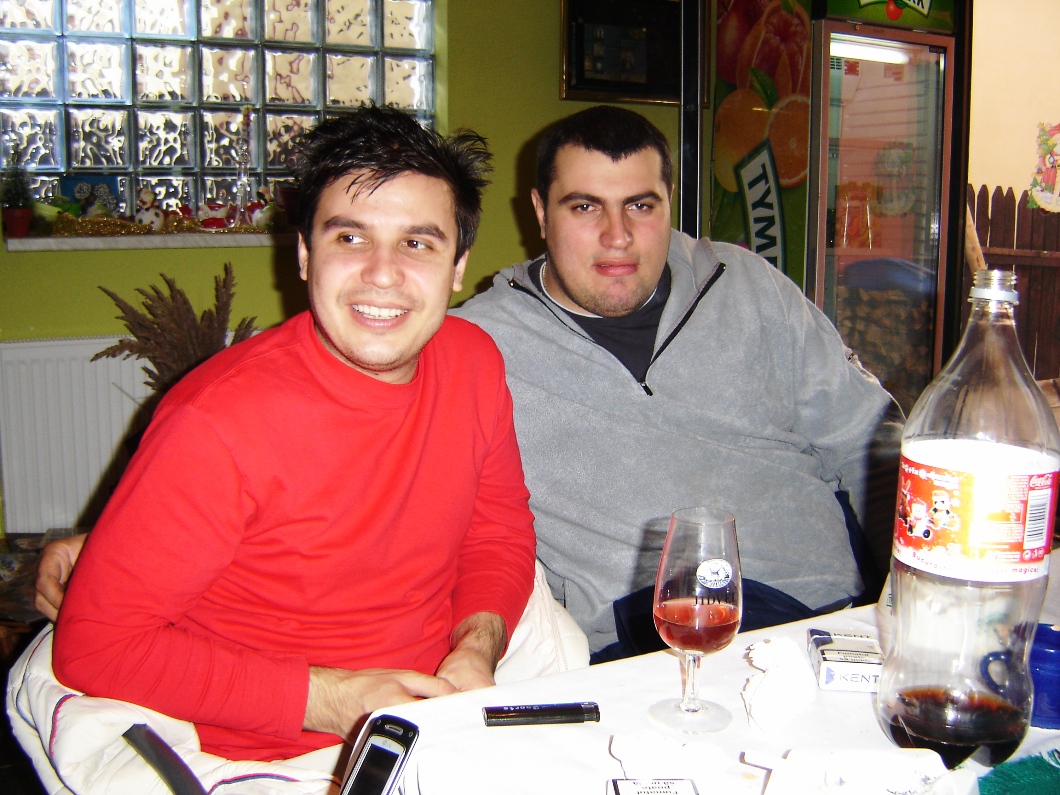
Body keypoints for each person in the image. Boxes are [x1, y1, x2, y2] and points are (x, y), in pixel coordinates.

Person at [46, 105, 537, 762]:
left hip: (441, 712)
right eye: (350, 237)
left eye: (418, 243)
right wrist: (330, 700)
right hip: (282, 754)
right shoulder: (215, 422)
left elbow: (497, 531)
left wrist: (474, 648)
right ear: (305, 253)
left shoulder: (474, 361)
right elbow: (96, 645)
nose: (383, 273)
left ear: (457, 265)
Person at [452, 105, 901, 660]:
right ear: (542, 213)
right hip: (646, 646)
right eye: (585, 206)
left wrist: (906, 593)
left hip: (827, 618)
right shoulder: (476, 346)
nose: (617, 236)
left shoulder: (749, 286)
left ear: (669, 203)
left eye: (640, 205)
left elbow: (871, 442)